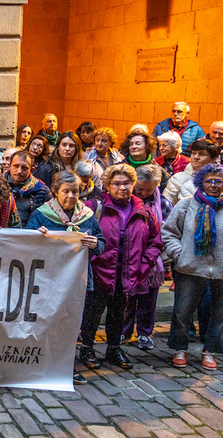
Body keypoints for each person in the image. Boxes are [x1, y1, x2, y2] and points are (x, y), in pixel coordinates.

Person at [77, 164, 162, 371]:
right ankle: (87, 347)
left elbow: (155, 240)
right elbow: (77, 233)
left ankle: (114, 348)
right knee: (93, 311)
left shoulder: (143, 209)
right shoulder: (93, 206)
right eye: (117, 183)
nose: (122, 187)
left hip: (129, 271)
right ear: (107, 185)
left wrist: (145, 263)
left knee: (119, 312)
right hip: (99, 270)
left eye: (127, 183)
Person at [24, 170, 104, 385]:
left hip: (77, 280)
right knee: (46, 323)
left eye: (75, 191)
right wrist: (35, 236)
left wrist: (96, 245)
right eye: (66, 191)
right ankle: (41, 364)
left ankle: (65, 367)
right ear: (55, 192)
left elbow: (101, 242)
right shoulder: (41, 215)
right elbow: (25, 245)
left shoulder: (86, 216)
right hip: (48, 280)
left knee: (70, 326)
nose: (71, 196)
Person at [163, 163, 223, 370]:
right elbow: (169, 232)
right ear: (200, 183)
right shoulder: (186, 205)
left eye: (218, 181)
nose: (213, 185)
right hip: (189, 268)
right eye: (209, 181)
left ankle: (210, 351)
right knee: (182, 311)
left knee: (219, 314)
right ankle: (180, 348)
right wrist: (180, 255)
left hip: (221, 272)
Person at [122, 163, 172, 350]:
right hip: (128, 257)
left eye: (148, 190)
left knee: (148, 300)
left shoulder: (164, 203)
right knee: (127, 298)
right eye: (139, 189)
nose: (143, 192)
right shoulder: (126, 201)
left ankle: (144, 333)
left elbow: (168, 229)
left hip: (152, 260)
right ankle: (124, 331)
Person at [166, 140, 220, 205]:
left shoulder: (220, 179)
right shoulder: (177, 179)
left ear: (214, 159)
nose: (196, 157)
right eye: (193, 153)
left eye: (202, 154)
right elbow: (166, 207)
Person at [5, 150, 51, 227]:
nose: (19, 171)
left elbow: (48, 218)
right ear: (9, 166)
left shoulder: (41, 190)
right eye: (16, 166)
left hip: (30, 235)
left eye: (24, 168)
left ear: (31, 170)